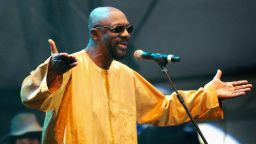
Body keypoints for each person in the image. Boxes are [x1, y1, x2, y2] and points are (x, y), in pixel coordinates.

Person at [20, 7, 252, 144]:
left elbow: (164, 108)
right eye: (117, 29)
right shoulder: (67, 66)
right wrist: (52, 73)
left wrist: (209, 94)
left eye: (129, 29)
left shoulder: (126, 75)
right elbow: (32, 96)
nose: (126, 35)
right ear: (95, 34)